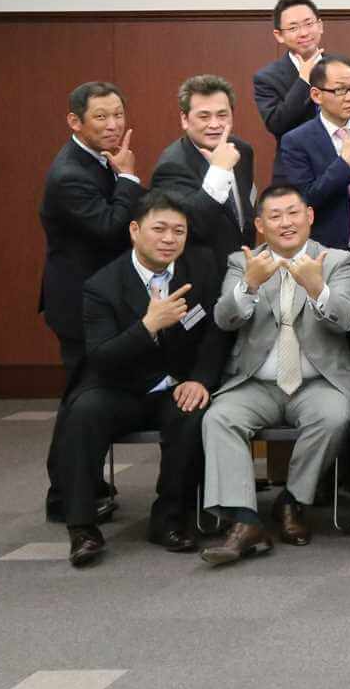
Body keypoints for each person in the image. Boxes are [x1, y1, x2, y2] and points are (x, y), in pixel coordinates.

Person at [51, 192, 225, 566]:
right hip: (119, 386)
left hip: (175, 385)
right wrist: (147, 326)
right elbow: (101, 357)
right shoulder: (102, 285)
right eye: (159, 229)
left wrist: (200, 379)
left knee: (194, 413)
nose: (169, 239)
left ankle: (169, 519)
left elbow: (215, 334)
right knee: (83, 413)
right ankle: (82, 527)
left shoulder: (202, 267)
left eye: (178, 231)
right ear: (134, 230)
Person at [199, 185, 350, 565]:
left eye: (293, 213)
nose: (286, 223)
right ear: (260, 225)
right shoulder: (243, 261)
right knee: (219, 418)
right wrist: (250, 284)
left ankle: (292, 501)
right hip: (256, 383)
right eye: (275, 216)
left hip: (319, 382)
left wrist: (317, 287)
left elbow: (347, 320)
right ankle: (245, 521)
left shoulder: (336, 260)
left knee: (333, 416)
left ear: (309, 216)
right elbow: (224, 319)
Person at [38, 80, 143, 521]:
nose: (113, 124)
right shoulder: (70, 175)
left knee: (86, 397)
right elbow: (110, 227)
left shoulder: (99, 159)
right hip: (77, 305)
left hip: (95, 300)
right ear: (74, 121)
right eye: (101, 116)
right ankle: (65, 497)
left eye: (118, 114)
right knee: (80, 402)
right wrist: (130, 178)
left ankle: (84, 486)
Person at [276, 54, 350, 291]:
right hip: (329, 258)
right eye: (340, 90)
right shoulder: (297, 141)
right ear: (316, 95)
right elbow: (304, 201)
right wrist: (344, 163)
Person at [150, 74, 257, 270]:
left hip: (243, 268)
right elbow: (191, 226)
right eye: (204, 116)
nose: (215, 124)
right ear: (184, 119)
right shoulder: (171, 166)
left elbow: (245, 213)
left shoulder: (241, 150)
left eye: (222, 115)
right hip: (202, 275)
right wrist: (219, 172)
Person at [252, 0, 350, 139]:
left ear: (320, 26)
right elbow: (277, 124)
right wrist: (303, 81)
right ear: (279, 35)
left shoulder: (347, 67)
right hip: (298, 153)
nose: (304, 33)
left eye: (309, 24)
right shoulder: (267, 78)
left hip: (348, 147)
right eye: (293, 28)